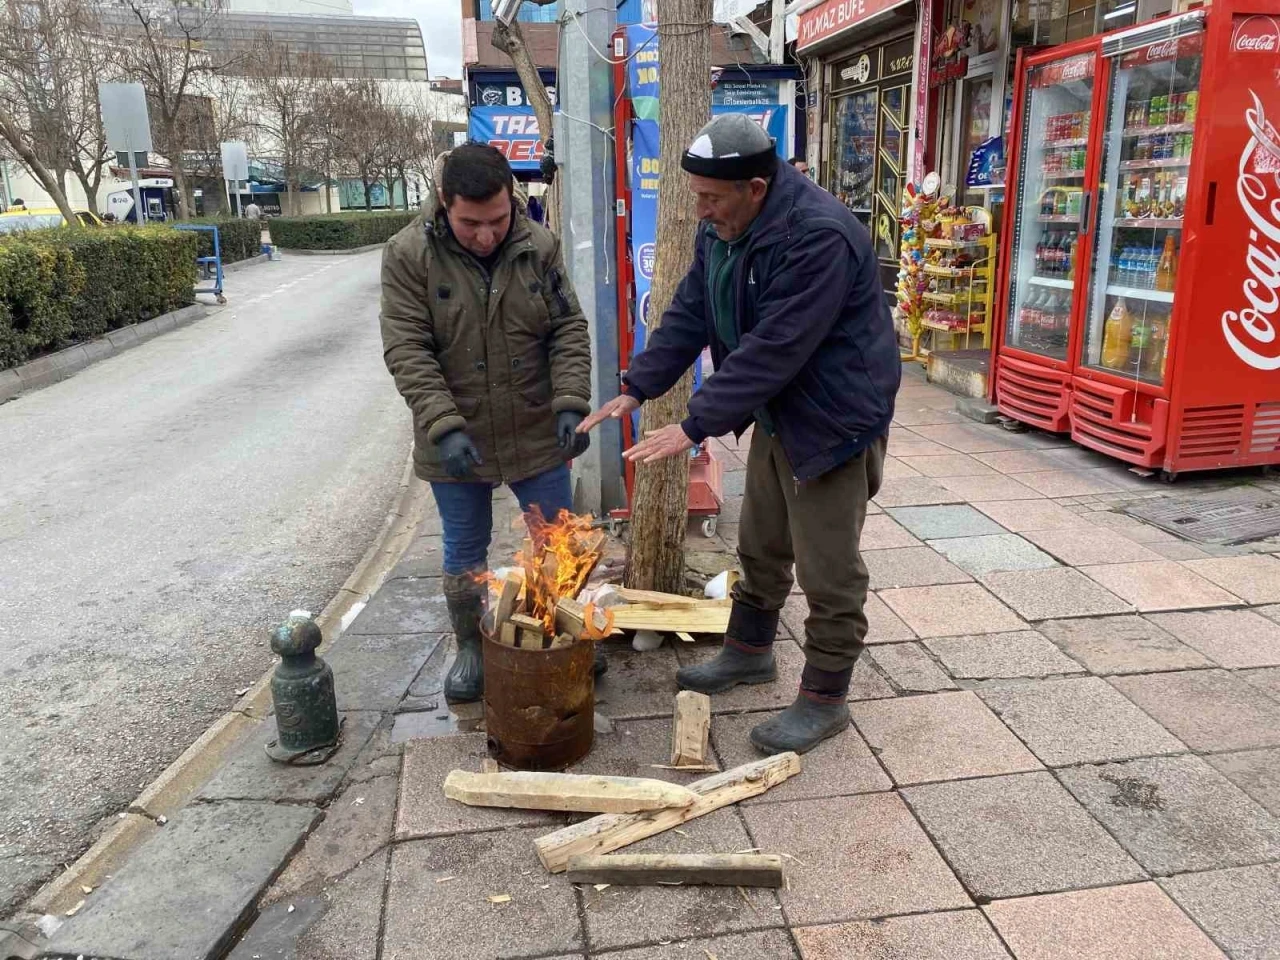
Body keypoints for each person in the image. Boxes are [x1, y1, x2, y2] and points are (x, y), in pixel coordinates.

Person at [579, 114, 900, 754]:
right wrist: (638, 384)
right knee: (760, 543)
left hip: (834, 418)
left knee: (828, 569)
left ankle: (824, 699)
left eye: (710, 198)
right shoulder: (726, 226)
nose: (699, 210)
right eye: (695, 194)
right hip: (780, 410)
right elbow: (692, 309)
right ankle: (750, 652)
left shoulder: (819, 235)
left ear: (756, 187)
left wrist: (695, 424)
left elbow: (776, 345)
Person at [380, 142, 596, 703]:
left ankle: (559, 633)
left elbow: (568, 328)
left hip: (534, 424)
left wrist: (571, 401)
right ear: (443, 204)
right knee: (464, 548)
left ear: (513, 202)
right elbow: (407, 347)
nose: (485, 236)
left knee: (557, 540)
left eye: (497, 220)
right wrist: (442, 425)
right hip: (458, 432)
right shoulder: (408, 255)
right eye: (471, 223)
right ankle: (471, 647)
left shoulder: (538, 246)